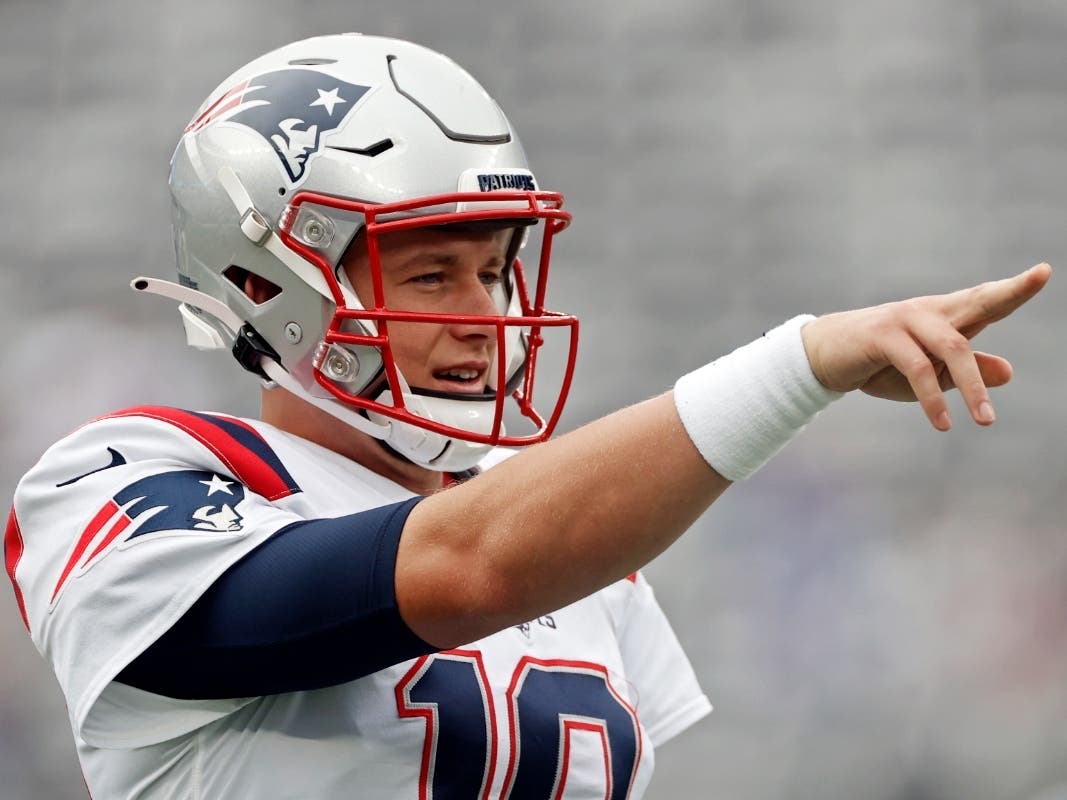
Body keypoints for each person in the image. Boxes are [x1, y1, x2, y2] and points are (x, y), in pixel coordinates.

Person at [2, 32, 1050, 800]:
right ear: (267, 280)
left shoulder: (575, 537)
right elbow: (462, 571)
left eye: (495, 270)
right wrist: (795, 365)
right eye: (430, 275)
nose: (484, 317)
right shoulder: (135, 474)